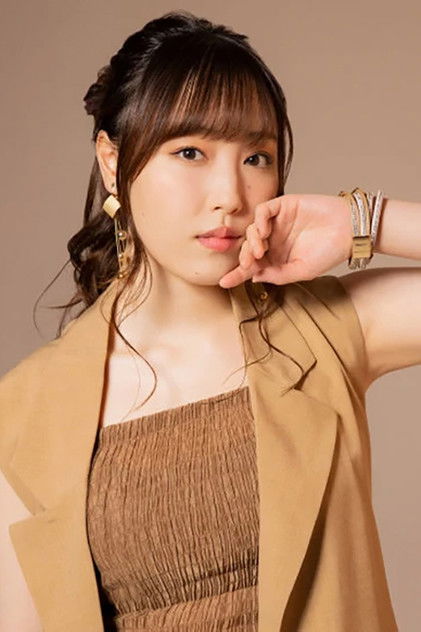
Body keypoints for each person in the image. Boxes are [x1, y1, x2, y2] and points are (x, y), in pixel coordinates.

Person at [1, 9, 420, 632]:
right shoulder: (26, 410)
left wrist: (366, 221)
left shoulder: (326, 330)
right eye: (191, 151)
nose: (230, 194)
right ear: (112, 161)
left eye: (257, 157)